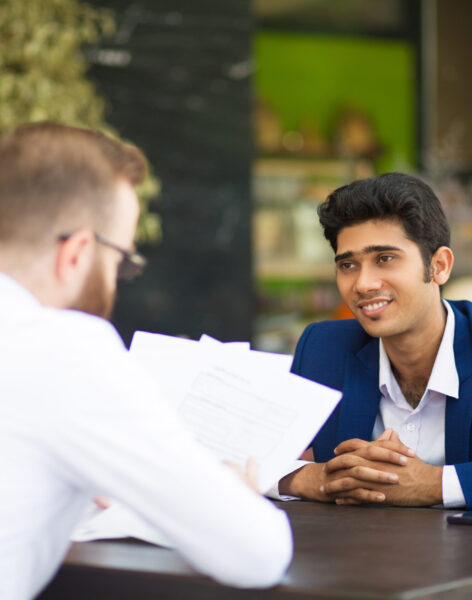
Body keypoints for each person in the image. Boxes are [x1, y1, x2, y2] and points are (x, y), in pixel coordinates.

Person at [0, 123, 292, 600]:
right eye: (121, 262)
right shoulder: (65, 349)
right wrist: (234, 495)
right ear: (76, 254)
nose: (118, 280)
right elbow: (257, 553)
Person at [276, 172, 472, 509]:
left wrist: (433, 483)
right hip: (355, 556)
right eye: (348, 264)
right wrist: (316, 478)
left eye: (385, 258)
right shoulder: (324, 347)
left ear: (438, 266)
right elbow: (245, 455)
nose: (363, 283)